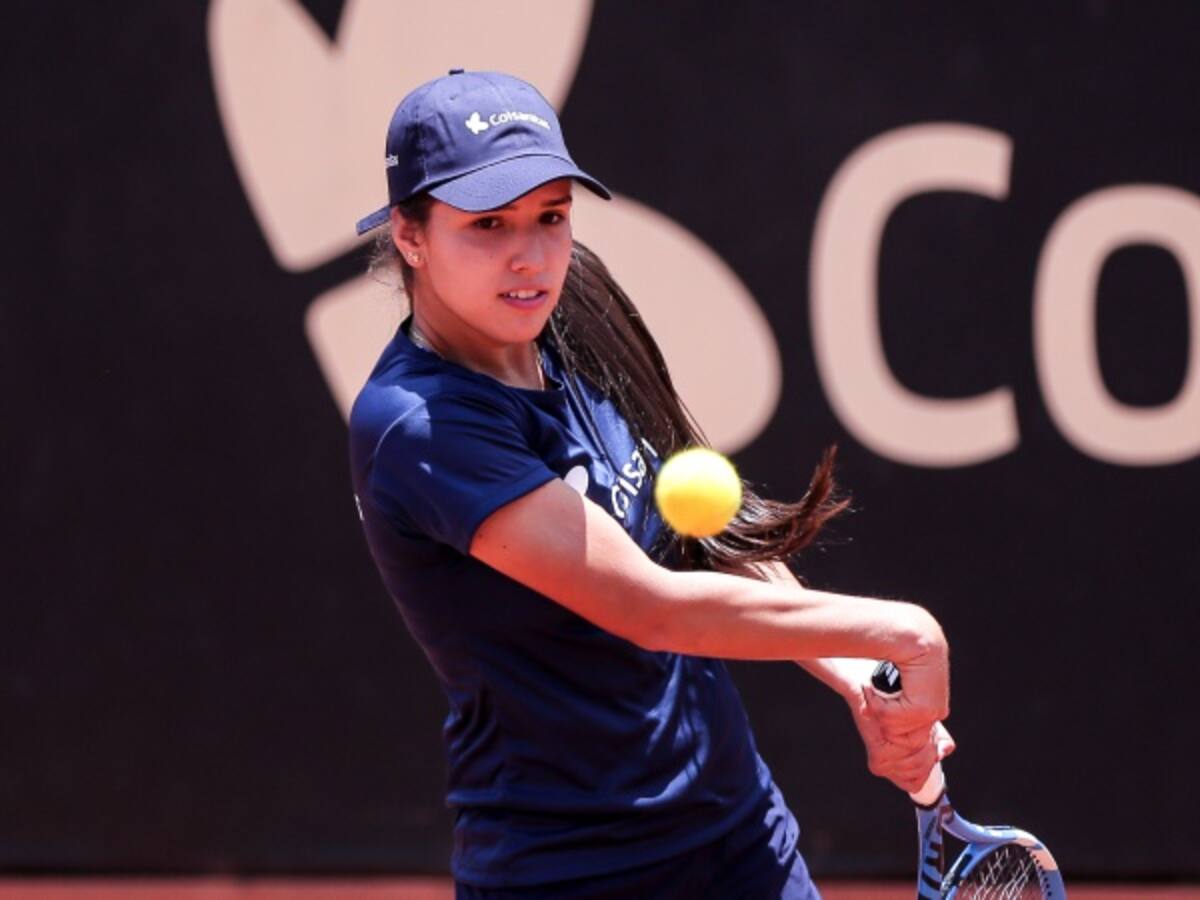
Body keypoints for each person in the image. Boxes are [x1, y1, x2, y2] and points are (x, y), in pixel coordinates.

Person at [349, 69, 953, 899]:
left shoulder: (574, 303)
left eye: (551, 217)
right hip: (574, 869)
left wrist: (852, 675)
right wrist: (902, 632)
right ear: (409, 234)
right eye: (486, 224)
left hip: (740, 834)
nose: (529, 256)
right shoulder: (420, 427)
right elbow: (648, 606)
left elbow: (697, 524)